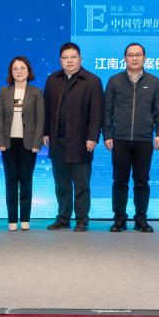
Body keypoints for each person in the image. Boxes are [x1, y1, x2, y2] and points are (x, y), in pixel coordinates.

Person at [102, 43, 159, 233]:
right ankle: (119, 219)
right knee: (119, 181)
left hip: (144, 140)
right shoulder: (114, 81)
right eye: (130, 55)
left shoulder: (154, 81)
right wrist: (107, 134)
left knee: (142, 181)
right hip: (119, 139)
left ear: (145, 58)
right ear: (125, 58)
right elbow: (107, 111)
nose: (135, 58)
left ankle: (141, 219)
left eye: (138, 55)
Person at [43, 42, 104, 232]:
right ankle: (63, 218)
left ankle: (82, 220)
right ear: (60, 60)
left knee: (81, 184)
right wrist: (45, 132)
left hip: (81, 141)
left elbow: (97, 113)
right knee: (61, 184)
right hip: (57, 140)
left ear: (80, 59)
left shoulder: (92, 81)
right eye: (65, 58)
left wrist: (93, 137)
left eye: (73, 57)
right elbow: (46, 108)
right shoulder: (53, 80)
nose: (69, 61)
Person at [0, 56, 45, 231]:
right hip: (8, 143)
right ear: (11, 72)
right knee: (10, 180)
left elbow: (40, 119)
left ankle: (25, 219)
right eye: (15, 69)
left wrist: (37, 142)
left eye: (22, 68)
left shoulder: (36, 92)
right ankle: (11, 220)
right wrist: (0, 140)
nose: (19, 71)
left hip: (29, 144)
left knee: (25, 180)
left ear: (28, 71)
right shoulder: (4, 92)